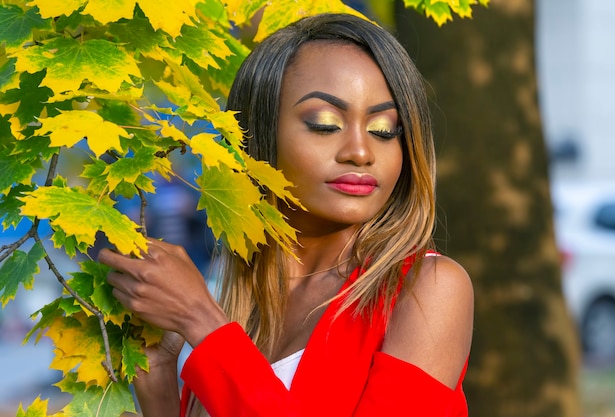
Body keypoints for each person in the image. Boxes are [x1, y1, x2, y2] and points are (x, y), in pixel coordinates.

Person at [98, 12, 474, 417]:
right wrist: (157, 381)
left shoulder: (427, 290)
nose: (361, 153)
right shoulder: (243, 308)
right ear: (257, 137)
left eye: (385, 130)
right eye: (325, 124)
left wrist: (200, 320)